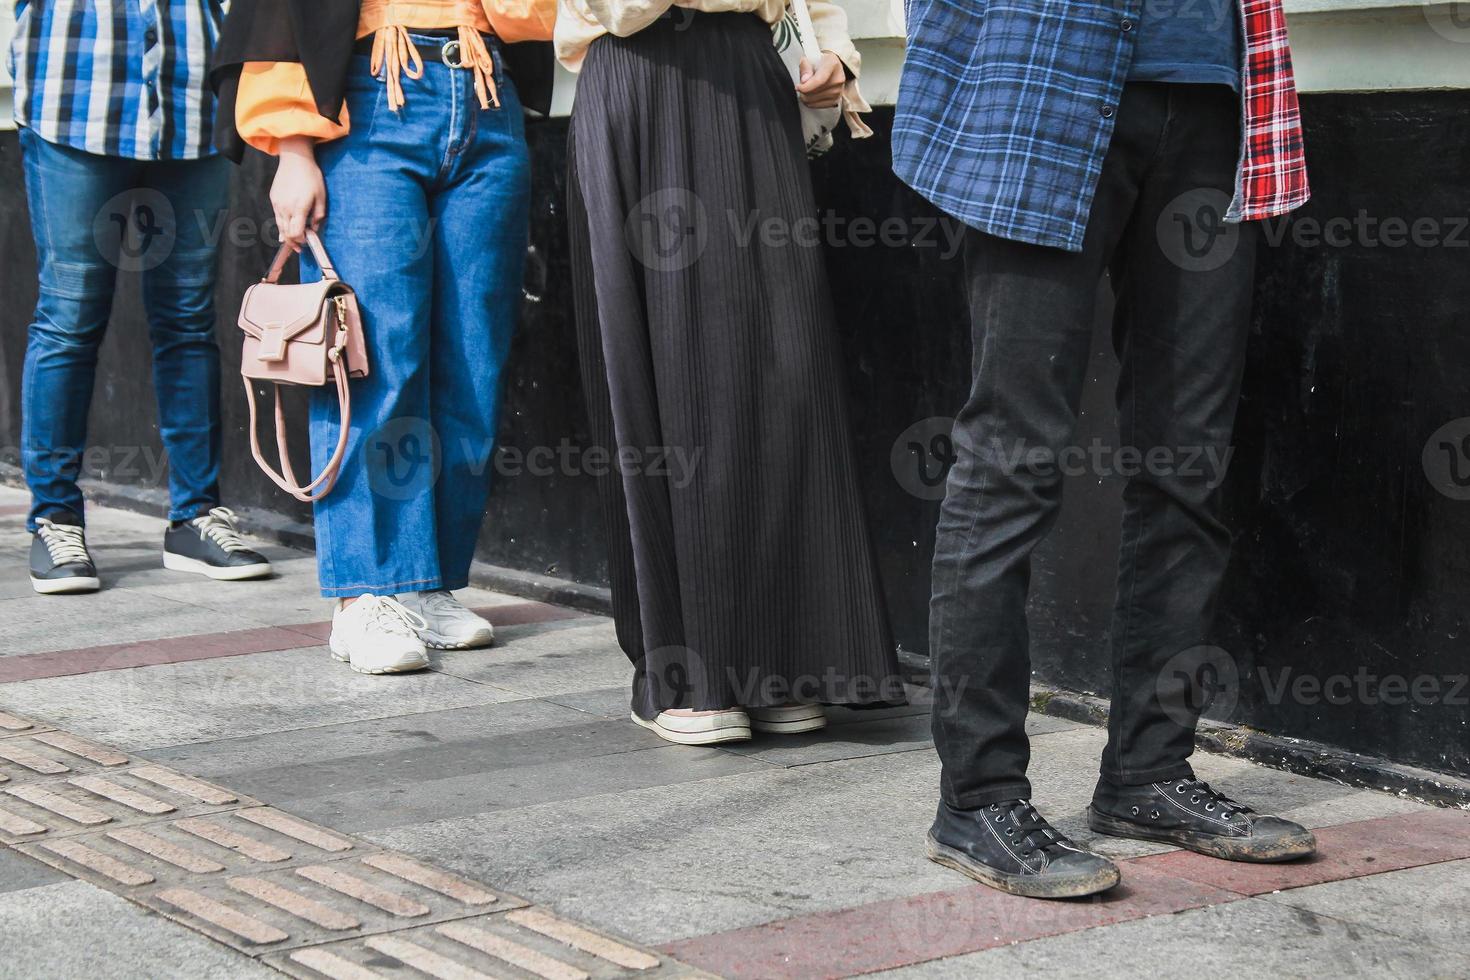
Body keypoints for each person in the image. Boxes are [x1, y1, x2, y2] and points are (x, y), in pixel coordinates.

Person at [894, 0, 1320, 897]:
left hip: (1212, 94)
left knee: (1188, 463)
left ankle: (1148, 775)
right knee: (1012, 459)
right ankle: (977, 800)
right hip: (1039, 85)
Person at [557, 0, 905, 744]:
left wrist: (835, 56)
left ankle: (782, 660)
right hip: (644, 78)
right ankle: (686, 669)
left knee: (782, 366)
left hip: (752, 77)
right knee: (668, 363)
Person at [210, 0, 552, 674]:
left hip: (485, 88)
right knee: (372, 357)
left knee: (473, 361)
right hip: (366, 98)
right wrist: (293, 146)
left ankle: (426, 581)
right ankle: (365, 592)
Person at [11, 0, 272, 595]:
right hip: (73, 99)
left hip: (194, 110)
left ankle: (195, 519)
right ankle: (54, 519)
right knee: (69, 318)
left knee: (187, 323)